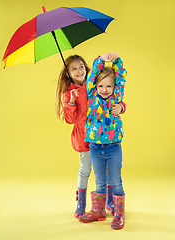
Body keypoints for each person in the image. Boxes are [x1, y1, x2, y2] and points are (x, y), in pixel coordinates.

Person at [55, 54, 126, 219]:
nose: (79, 71)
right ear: (68, 73)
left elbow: (115, 96)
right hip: (84, 138)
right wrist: (71, 101)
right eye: (73, 69)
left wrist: (121, 106)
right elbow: (70, 120)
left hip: (103, 137)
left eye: (81, 66)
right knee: (85, 170)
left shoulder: (94, 86)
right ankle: (81, 203)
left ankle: (108, 202)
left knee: (107, 171)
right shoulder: (70, 93)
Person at [78, 51, 127, 230]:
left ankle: (119, 213)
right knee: (100, 181)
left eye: (108, 86)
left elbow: (121, 76)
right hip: (95, 147)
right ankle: (98, 210)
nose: (104, 90)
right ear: (95, 86)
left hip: (113, 147)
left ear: (114, 88)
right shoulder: (91, 96)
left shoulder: (115, 98)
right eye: (101, 86)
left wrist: (116, 61)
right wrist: (101, 60)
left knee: (115, 181)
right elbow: (91, 77)